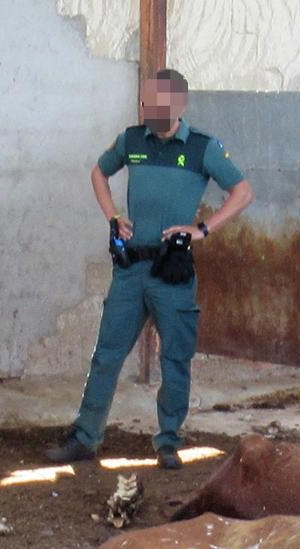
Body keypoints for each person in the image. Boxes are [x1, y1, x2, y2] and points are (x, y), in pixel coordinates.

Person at [46, 69, 253, 469]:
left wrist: (203, 230)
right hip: (131, 269)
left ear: (180, 104)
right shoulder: (131, 140)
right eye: (145, 103)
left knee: (174, 357)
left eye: (158, 103)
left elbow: (243, 192)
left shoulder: (202, 148)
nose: (149, 110)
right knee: (106, 354)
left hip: (171, 269)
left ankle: (168, 443)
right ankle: (86, 438)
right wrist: (113, 217)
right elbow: (98, 172)